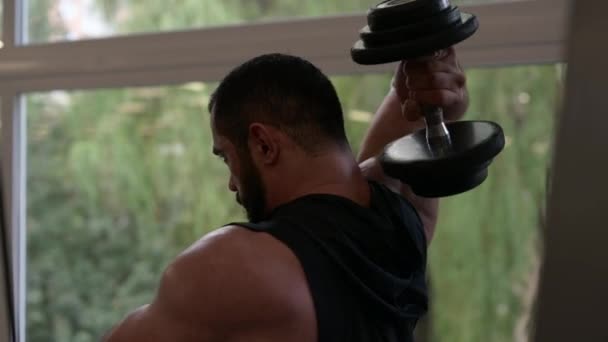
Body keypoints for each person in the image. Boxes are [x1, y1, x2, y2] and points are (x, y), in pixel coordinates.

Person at [102, 48, 468, 342]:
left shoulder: (233, 269)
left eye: (227, 156)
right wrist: (423, 83)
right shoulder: (406, 224)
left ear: (263, 145)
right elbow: (383, 160)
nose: (232, 183)